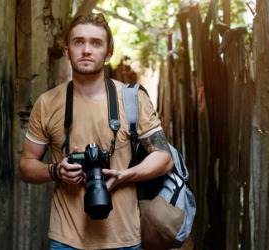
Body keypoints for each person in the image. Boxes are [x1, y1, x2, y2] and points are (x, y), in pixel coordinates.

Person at [19, 14, 174, 250]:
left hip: (124, 239)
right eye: (78, 42)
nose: (86, 50)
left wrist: (124, 176)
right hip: (66, 240)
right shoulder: (47, 103)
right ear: (67, 50)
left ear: (109, 53)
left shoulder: (132, 100)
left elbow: (164, 159)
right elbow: (26, 165)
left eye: (96, 43)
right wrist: (56, 170)